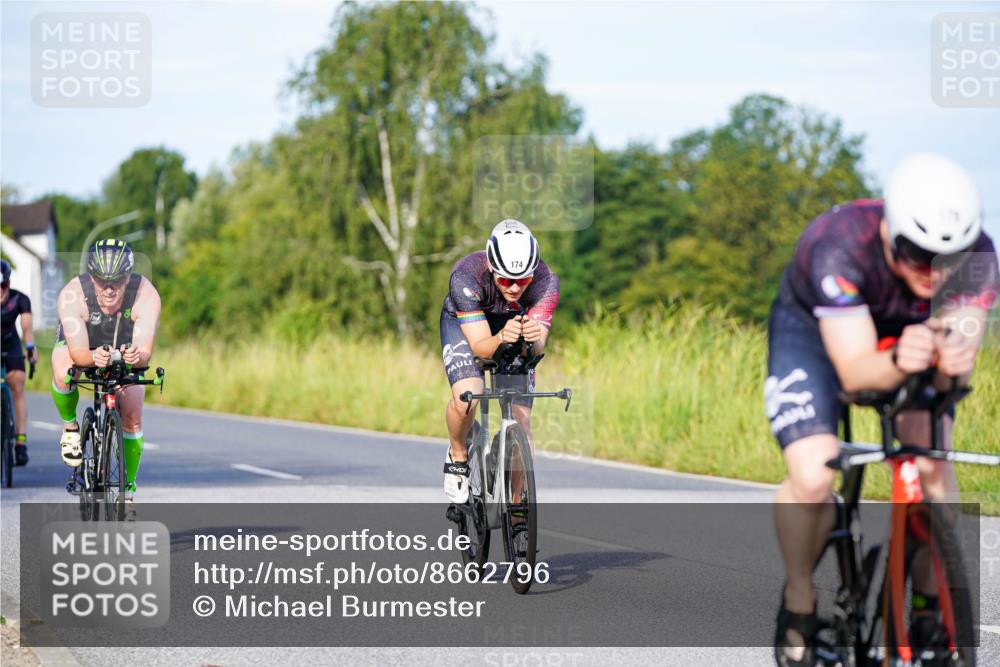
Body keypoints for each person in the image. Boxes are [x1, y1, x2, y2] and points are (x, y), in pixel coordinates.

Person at [766, 153, 998, 665]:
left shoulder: (981, 256)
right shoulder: (838, 242)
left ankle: (926, 603)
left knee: (932, 466)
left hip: (908, 337)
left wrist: (951, 364)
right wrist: (896, 357)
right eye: (916, 254)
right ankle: (800, 599)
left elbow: (952, 375)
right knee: (812, 472)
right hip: (821, 338)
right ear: (890, 233)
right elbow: (853, 374)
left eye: (949, 258)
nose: (934, 273)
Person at [440, 219, 559, 503]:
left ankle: (518, 503)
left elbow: (536, 348)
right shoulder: (466, 277)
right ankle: (458, 454)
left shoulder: (546, 282)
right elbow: (481, 349)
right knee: (468, 397)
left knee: (522, 418)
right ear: (492, 268)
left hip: (513, 329)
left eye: (523, 280)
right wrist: (502, 337)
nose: (516, 288)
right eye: (506, 280)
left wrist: (531, 339)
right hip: (468, 327)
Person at [51, 239, 161, 500]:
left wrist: (136, 356)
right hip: (84, 339)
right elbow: (78, 354)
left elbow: (144, 353)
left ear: (129, 276)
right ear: (91, 277)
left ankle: (129, 489)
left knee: (132, 412)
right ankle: (70, 428)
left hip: (122, 339)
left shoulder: (146, 294)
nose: (110, 289)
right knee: (64, 369)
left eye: (118, 280)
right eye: (102, 281)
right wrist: (91, 357)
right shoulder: (72, 295)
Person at [1, 259, 38, 465]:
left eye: (2, 286)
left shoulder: (19, 299)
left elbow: (26, 329)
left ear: (8, 283)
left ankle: (20, 442)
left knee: (18, 386)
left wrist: (30, 348)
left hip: (12, 346)